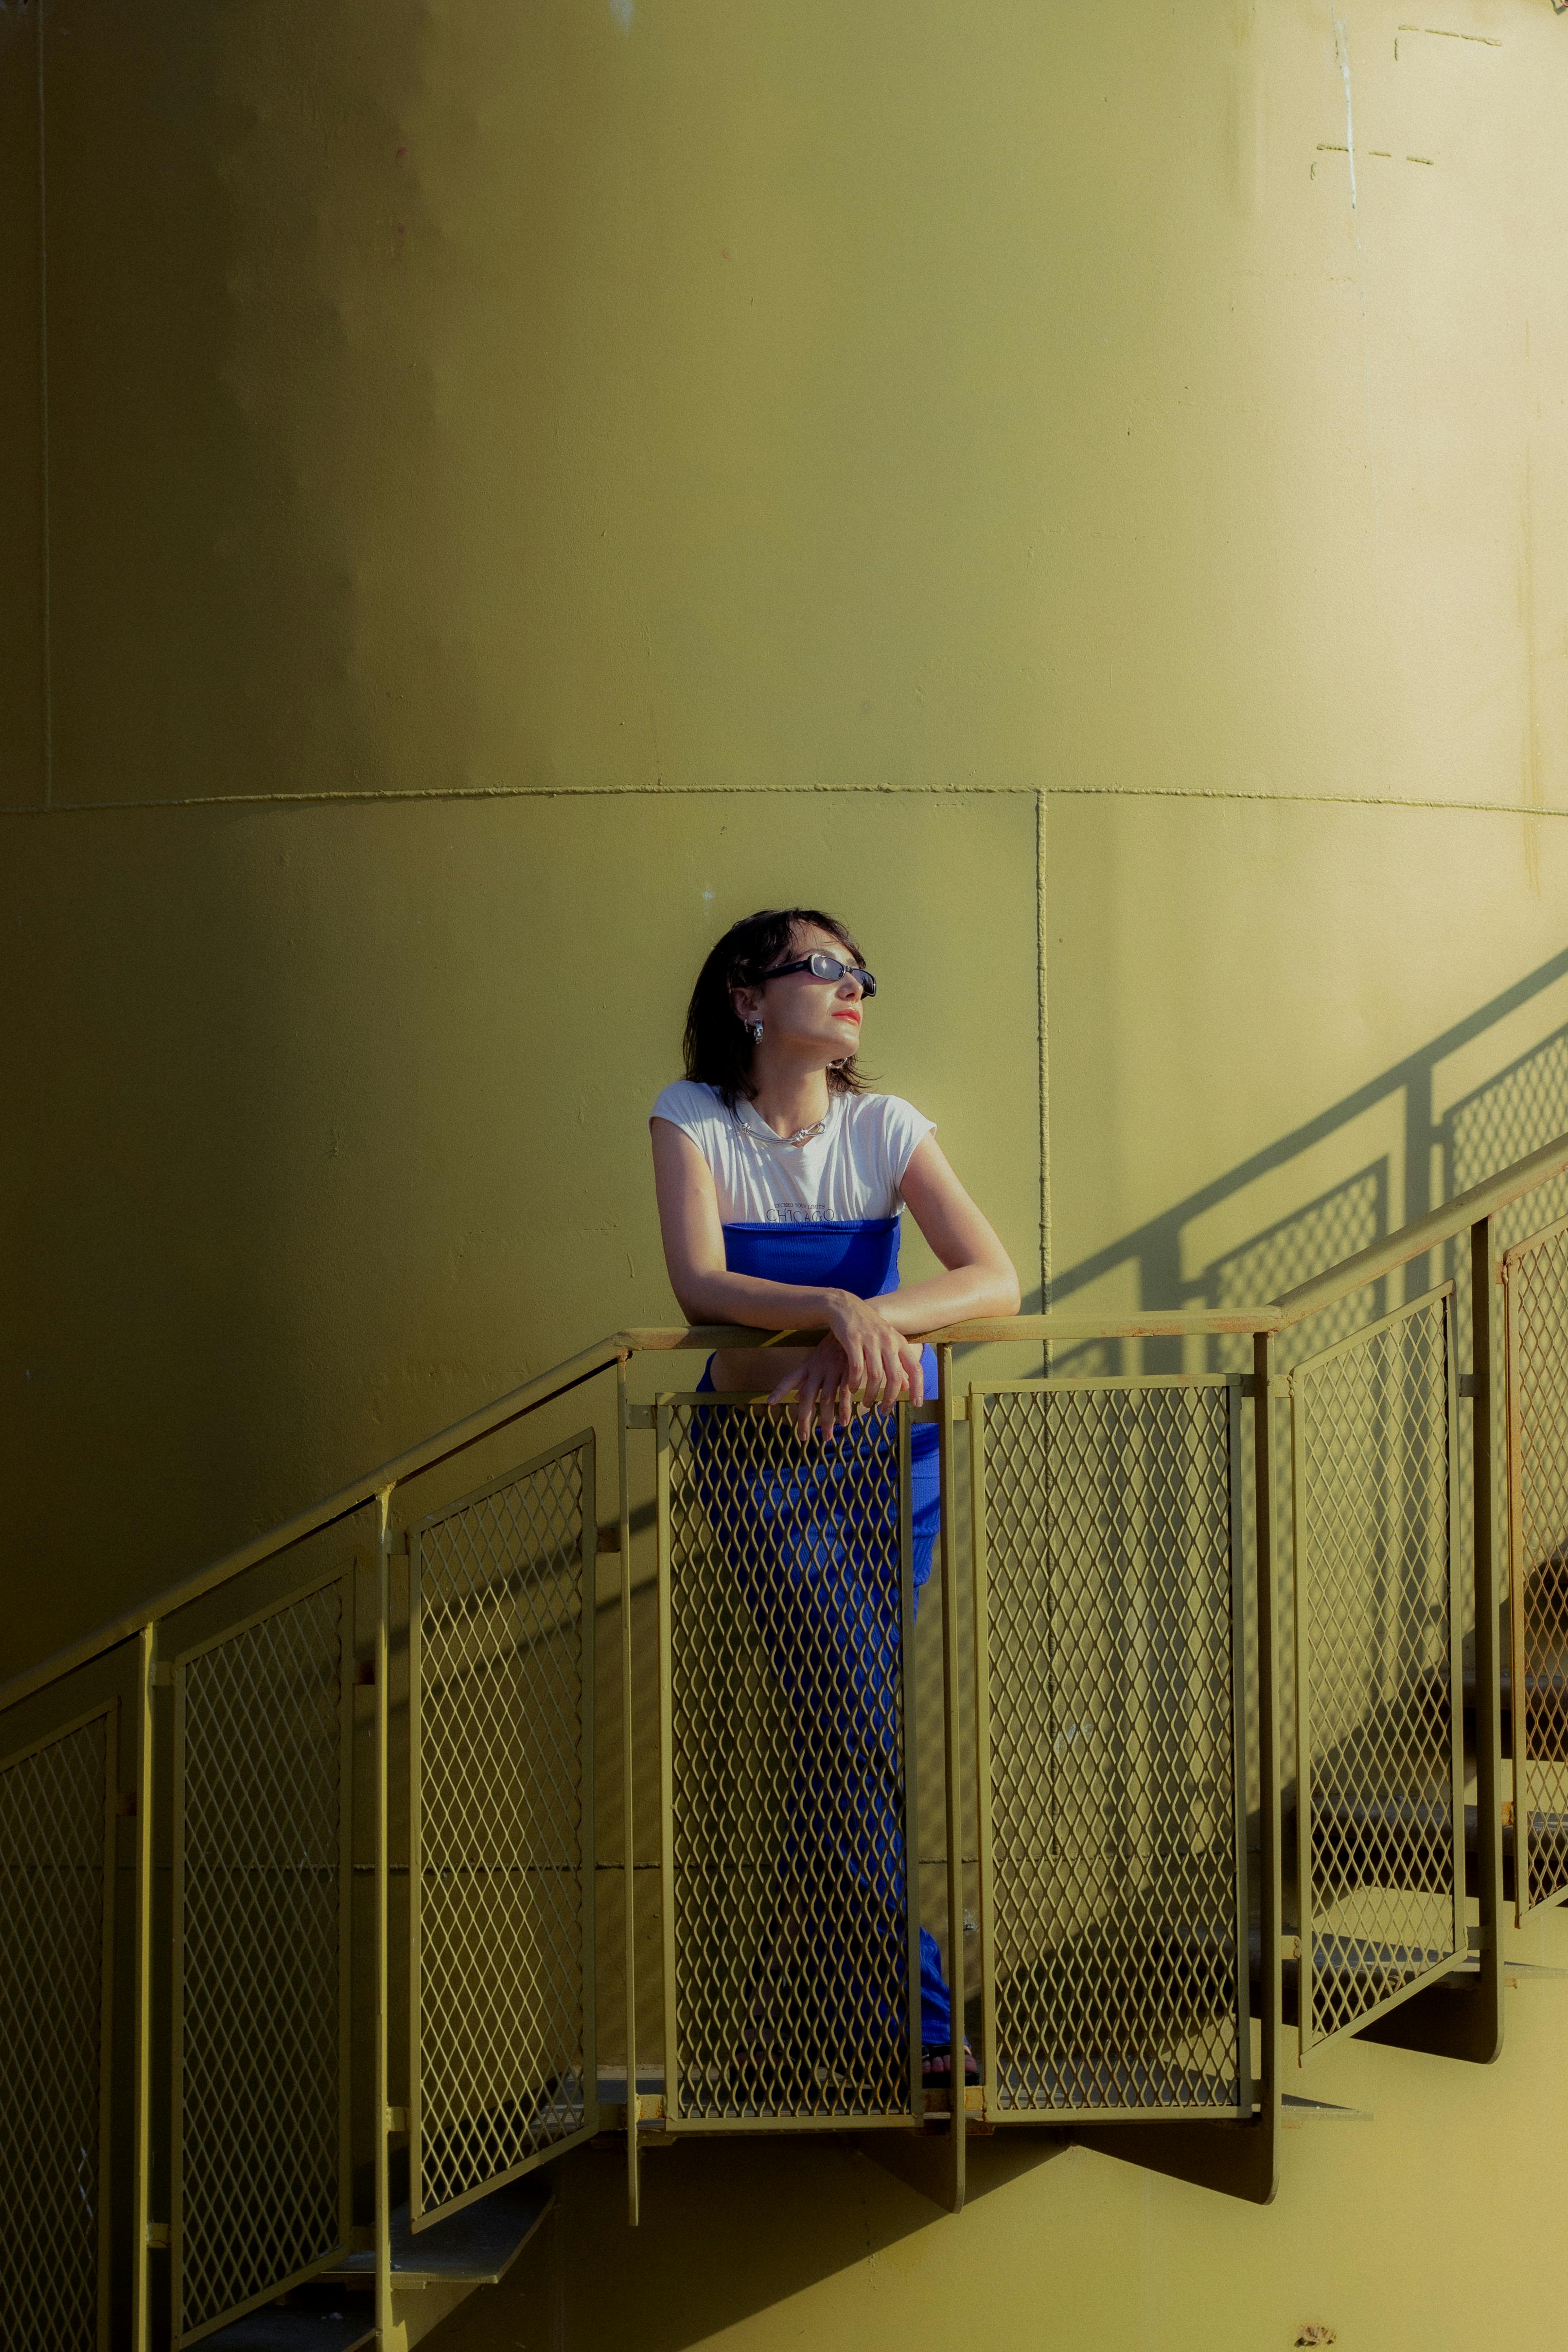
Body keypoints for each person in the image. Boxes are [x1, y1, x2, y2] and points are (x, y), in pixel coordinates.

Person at [650, 907, 1020, 2095]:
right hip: (764, 1468)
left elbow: (994, 1281)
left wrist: (865, 1319)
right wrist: (836, 1314)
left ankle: (785, 2001)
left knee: (836, 1734)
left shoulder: (885, 1125)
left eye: (859, 970)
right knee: (857, 1727)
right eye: (822, 968)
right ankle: (919, 2027)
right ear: (750, 1000)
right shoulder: (692, 1119)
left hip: (887, 1464)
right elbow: (701, 1283)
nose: (851, 985)